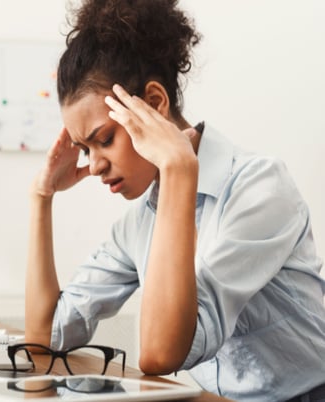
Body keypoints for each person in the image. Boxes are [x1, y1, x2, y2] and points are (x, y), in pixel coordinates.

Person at [24, 0, 325, 401]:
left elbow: (161, 354)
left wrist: (179, 169)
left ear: (153, 103)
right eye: (83, 150)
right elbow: (43, 340)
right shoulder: (137, 224)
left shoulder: (260, 186)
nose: (94, 166)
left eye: (104, 140)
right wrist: (41, 197)